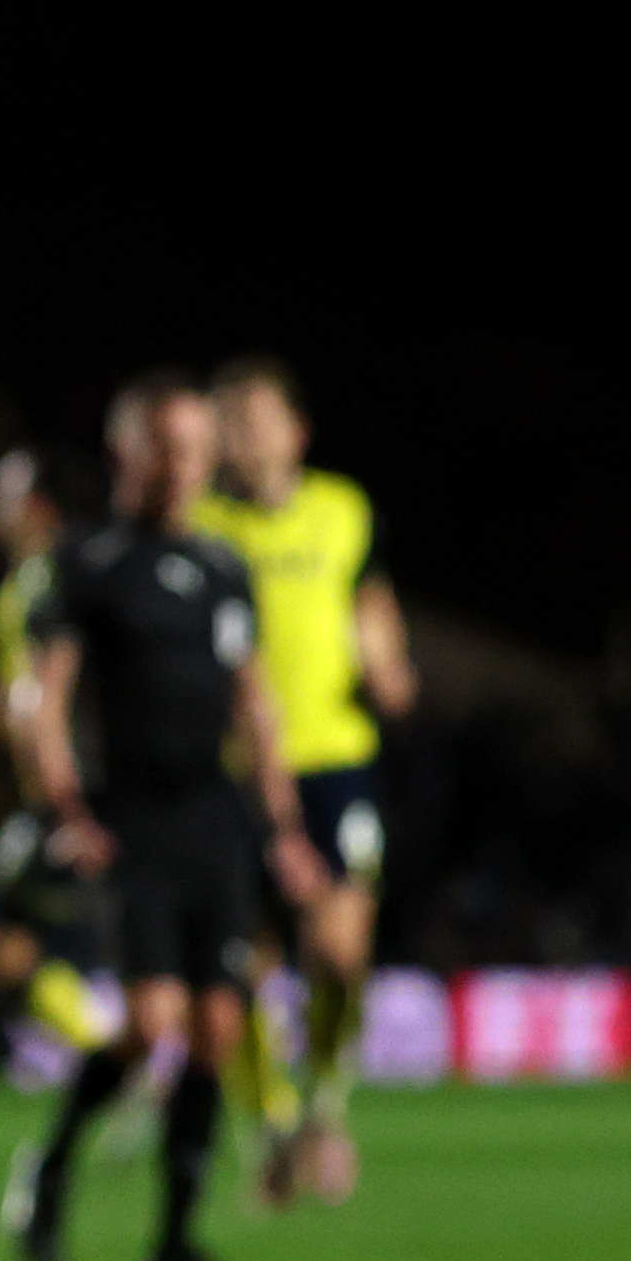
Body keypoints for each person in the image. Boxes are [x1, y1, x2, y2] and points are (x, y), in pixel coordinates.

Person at [0, 377, 326, 1261]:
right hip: (128, 817)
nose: (181, 466)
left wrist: (283, 826)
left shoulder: (224, 567)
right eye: (164, 448)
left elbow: (255, 705)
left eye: (193, 448)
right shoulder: (88, 562)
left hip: (213, 817)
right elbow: (47, 700)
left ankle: (173, 1240)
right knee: (151, 1025)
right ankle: (52, 1167)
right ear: (127, 455)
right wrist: (65, 810)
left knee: (217, 1030)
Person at [190, 359, 411, 1204]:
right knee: (243, 965)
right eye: (227, 422)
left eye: (254, 419)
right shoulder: (202, 526)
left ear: (296, 432)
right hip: (234, 771)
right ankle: (272, 1124)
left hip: (334, 757)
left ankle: (323, 1102)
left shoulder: (342, 511)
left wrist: (387, 664)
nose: (240, 438)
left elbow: (369, 601)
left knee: (339, 950)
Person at [0, 448, 125, 1082]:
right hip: (51, 795)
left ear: (38, 506)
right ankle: (111, 1047)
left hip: (67, 794)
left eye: (6, 496)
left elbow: (46, 694)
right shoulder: (27, 581)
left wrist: (17, 715)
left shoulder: (50, 581)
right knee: (3, 949)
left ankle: (115, 1053)